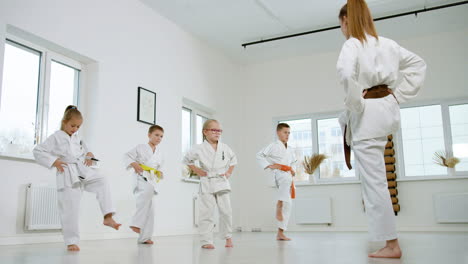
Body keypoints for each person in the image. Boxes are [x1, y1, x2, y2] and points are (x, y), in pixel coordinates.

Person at [337, 0, 426, 258]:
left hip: (367, 117)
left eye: (341, 24)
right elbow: (418, 65)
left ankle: (392, 245)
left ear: (346, 21)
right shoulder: (388, 43)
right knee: (379, 182)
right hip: (386, 113)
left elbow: (344, 73)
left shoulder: (352, 43)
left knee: (374, 184)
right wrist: (397, 96)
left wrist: (356, 103)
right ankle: (390, 242)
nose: (342, 29)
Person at [33, 105, 121, 251]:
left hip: (82, 169)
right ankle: (71, 241)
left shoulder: (77, 138)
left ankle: (108, 216)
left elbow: (86, 150)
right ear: (64, 122)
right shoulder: (56, 137)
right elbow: (38, 151)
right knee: (70, 209)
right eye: (72, 125)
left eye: (78, 127)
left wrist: (90, 155)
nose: (75, 129)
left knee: (102, 180)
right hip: (67, 173)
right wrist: (54, 161)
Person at [183, 119, 237, 249]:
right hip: (207, 180)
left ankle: (228, 237)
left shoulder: (225, 147)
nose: (217, 133)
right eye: (214, 130)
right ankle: (206, 240)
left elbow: (234, 160)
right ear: (205, 132)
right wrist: (197, 170)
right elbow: (186, 160)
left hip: (221, 180)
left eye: (219, 130)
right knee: (206, 212)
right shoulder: (198, 148)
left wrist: (228, 172)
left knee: (226, 211)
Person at [124, 125, 166, 244]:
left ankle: (145, 237)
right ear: (149, 135)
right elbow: (127, 156)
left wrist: (160, 173)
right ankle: (135, 223)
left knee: (151, 208)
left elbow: (159, 167)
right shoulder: (140, 147)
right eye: (156, 135)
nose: (159, 138)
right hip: (141, 177)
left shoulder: (160, 153)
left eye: (161, 136)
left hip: (152, 179)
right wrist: (134, 164)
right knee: (145, 199)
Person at [257, 123, 297, 241]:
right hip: (279, 174)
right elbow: (259, 155)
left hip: (288, 175)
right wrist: (270, 165)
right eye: (285, 132)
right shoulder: (273, 145)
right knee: (286, 199)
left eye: (289, 133)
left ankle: (280, 232)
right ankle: (279, 204)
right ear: (278, 132)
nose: (287, 135)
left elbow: (294, 161)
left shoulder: (290, 149)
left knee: (288, 204)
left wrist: (293, 169)